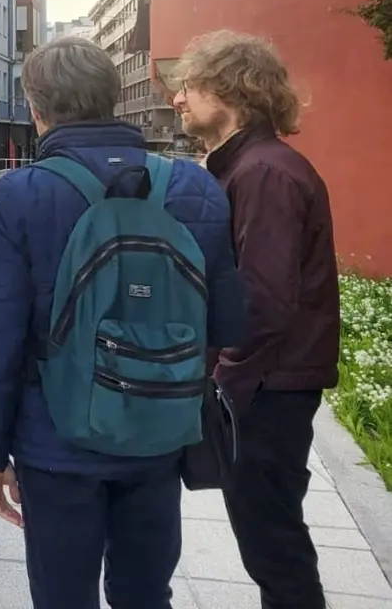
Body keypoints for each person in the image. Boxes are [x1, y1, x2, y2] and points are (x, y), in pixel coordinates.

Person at [0, 37, 246, 609]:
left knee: (63, 596)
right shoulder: (194, 186)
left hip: (56, 440)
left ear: (36, 107)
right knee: (145, 593)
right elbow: (229, 322)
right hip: (160, 434)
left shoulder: (20, 194)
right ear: (114, 98)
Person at [173, 30, 339, 609]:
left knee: (273, 546)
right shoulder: (249, 165)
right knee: (271, 539)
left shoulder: (263, 173)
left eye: (189, 86)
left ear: (230, 89)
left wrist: (224, 385)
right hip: (271, 383)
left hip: (268, 388)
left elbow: (263, 300)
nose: (178, 99)